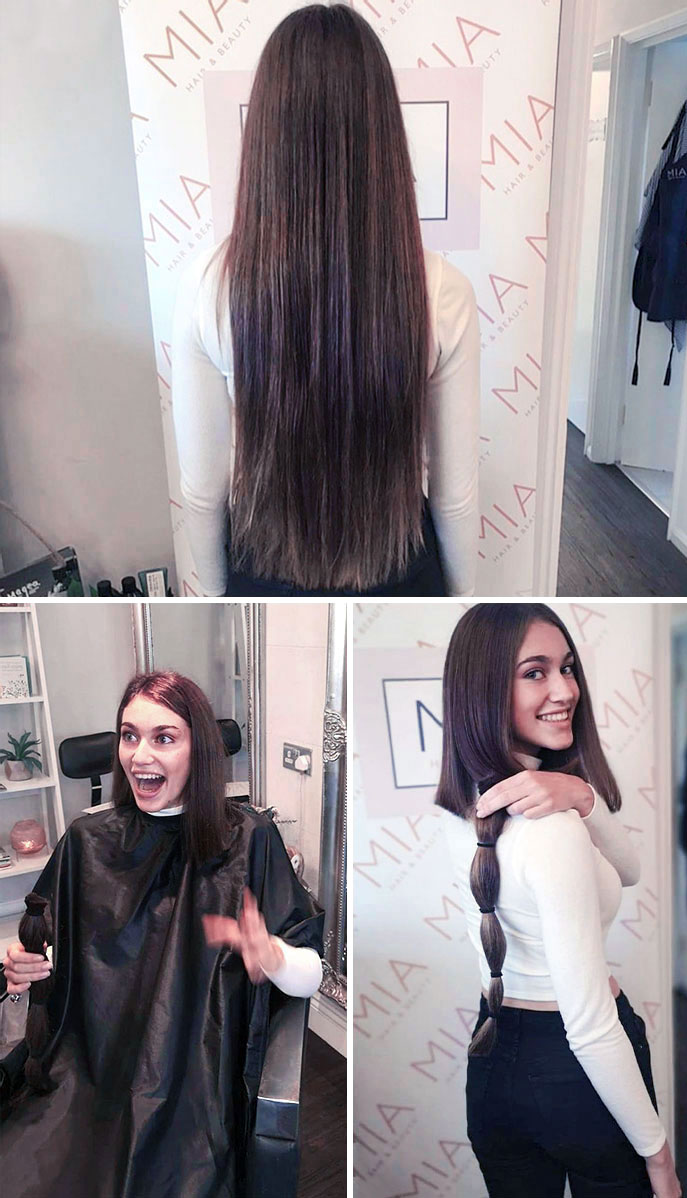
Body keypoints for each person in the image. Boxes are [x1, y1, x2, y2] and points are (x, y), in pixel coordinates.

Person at [171, 3, 479, 599]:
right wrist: (463, 606)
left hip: (264, 574)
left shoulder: (208, 285)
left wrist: (215, 600)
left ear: (264, 134)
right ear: (383, 132)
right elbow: (456, 495)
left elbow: (203, 492)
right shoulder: (441, 291)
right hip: (400, 573)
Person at [0, 671, 324, 1197]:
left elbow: (311, 978)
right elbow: (48, 950)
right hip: (89, 1074)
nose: (139, 756)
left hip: (192, 1091)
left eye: (164, 738)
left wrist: (273, 955)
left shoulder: (251, 842)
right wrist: (26, 965)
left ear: (200, 750)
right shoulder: (88, 840)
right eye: (129, 735)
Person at [435, 604, 682, 1198]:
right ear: (484, 687)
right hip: (578, 1078)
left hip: (490, 1062)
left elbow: (628, 870)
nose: (565, 689)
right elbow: (590, 1025)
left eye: (567, 668)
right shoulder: (552, 833)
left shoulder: (459, 802)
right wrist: (660, 1160)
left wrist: (580, 794)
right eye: (535, 672)